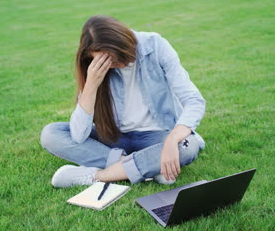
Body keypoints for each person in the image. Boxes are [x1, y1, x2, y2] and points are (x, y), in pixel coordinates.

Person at [40, 15, 206, 188]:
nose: (115, 64)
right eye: (105, 61)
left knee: (188, 145)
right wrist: (91, 85)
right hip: (115, 137)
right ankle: (148, 166)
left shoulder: (155, 46)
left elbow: (194, 100)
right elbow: (79, 135)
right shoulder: (94, 69)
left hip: (157, 135)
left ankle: (99, 175)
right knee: (51, 134)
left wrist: (172, 140)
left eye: (115, 57)